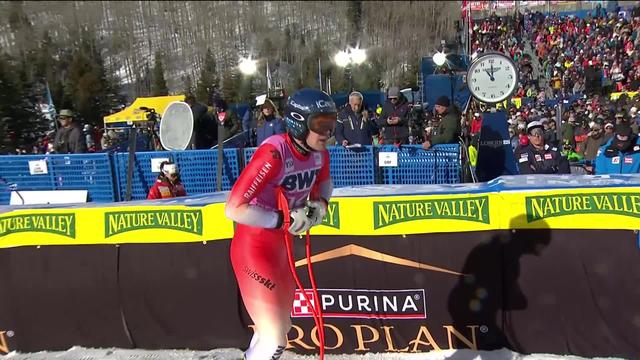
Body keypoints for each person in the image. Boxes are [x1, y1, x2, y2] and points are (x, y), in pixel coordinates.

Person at [225, 88, 336, 360]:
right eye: (320, 125)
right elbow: (233, 208)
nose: (327, 133)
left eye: (331, 124)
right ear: (299, 123)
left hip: (281, 249)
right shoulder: (274, 154)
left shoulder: (319, 153)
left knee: (278, 327)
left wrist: (319, 207)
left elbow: (324, 185)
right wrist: (281, 219)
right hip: (254, 248)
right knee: (276, 340)